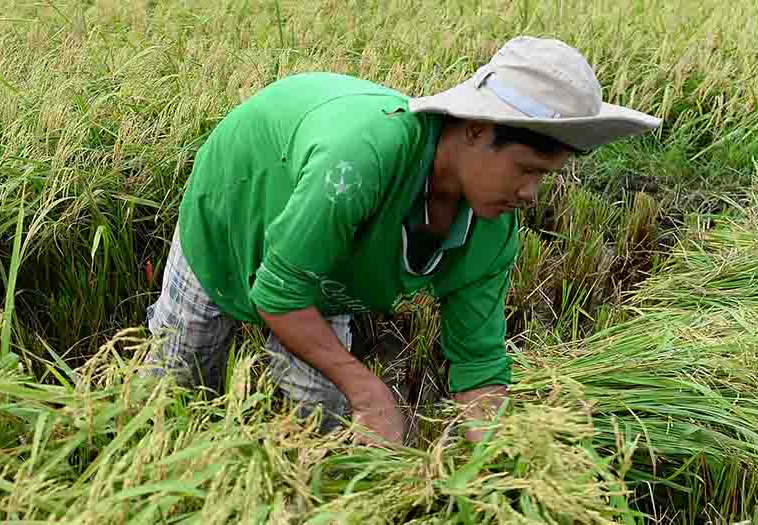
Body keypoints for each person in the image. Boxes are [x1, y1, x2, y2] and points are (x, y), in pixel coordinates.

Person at [140, 36, 661, 446]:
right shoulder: (361, 163)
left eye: (543, 177)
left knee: (325, 418)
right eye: (525, 169)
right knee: (174, 388)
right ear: (477, 129)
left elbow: (478, 365)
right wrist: (369, 387)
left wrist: (497, 467)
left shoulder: (491, 228)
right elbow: (277, 294)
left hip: (329, 268)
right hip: (236, 210)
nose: (530, 194)